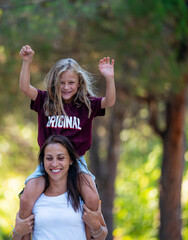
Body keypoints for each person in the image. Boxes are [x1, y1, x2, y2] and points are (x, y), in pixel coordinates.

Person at [18, 45, 115, 239]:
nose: (66, 87)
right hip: (49, 162)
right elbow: (24, 87)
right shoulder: (46, 101)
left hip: (76, 161)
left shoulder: (86, 104)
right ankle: (23, 236)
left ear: (79, 83)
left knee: (92, 198)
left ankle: (88, 235)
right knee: (27, 197)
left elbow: (109, 101)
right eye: (62, 82)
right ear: (55, 82)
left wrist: (109, 78)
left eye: (71, 82)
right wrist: (27, 62)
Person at [12, 135, 108, 240]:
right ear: (43, 161)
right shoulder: (34, 199)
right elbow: (19, 236)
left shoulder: (82, 196)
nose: (54, 164)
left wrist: (95, 225)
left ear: (70, 160)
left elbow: (103, 235)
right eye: (49, 158)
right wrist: (17, 232)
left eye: (60, 158)